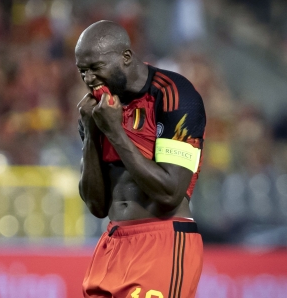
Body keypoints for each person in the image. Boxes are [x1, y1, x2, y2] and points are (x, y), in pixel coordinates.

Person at [75, 20, 206, 298]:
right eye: (82, 71)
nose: (88, 79)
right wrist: (90, 133)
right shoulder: (101, 109)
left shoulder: (174, 95)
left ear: (125, 57)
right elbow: (97, 205)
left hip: (163, 241)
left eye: (95, 68)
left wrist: (115, 132)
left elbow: (170, 193)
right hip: (113, 242)